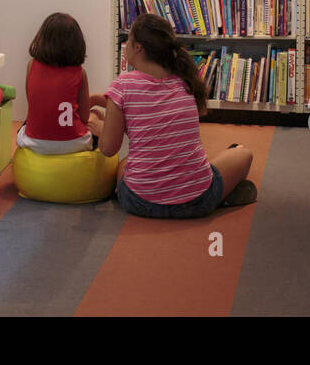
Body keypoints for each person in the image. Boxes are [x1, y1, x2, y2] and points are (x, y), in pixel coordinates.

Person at [100, 13, 255, 217]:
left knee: (124, 164)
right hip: (198, 201)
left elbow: (108, 149)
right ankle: (219, 193)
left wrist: (100, 126)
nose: (126, 45)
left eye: (128, 40)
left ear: (138, 47)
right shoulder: (185, 81)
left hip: (140, 202)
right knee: (243, 153)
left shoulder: (121, 86)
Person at [16, 13, 104, 155]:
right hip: (73, 142)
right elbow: (83, 117)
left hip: (34, 143)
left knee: (23, 126)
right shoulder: (80, 73)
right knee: (97, 115)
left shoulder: (31, 66)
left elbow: (32, 103)